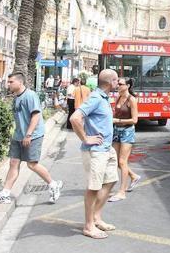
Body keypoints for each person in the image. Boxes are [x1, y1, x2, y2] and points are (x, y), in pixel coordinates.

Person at [0, 73, 63, 204]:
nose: (8, 84)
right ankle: (5, 193)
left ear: (20, 83)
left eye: (11, 82)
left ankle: (53, 185)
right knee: (13, 163)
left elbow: (36, 116)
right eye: (8, 82)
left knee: (32, 164)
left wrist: (28, 135)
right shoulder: (16, 97)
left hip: (33, 135)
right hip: (18, 135)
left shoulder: (30, 96)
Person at [70, 69, 119, 239]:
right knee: (93, 187)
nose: (118, 83)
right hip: (95, 151)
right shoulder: (96, 98)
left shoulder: (104, 98)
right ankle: (89, 226)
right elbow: (75, 118)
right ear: (110, 82)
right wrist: (86, 138)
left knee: (111, 180)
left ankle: (96, 217)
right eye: (116, 80)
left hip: (106, 149)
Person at [108, 77, 141, 202]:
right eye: (117, 83)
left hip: (127, 131)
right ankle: (133, 176)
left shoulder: (131, 100)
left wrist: (118, 120)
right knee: (116, 161)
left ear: (127, 86)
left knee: (122, 161)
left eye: (120, 84)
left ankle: (122, 191)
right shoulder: (118, 97)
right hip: (116, 131)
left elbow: (135, 120)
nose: (118, 86)